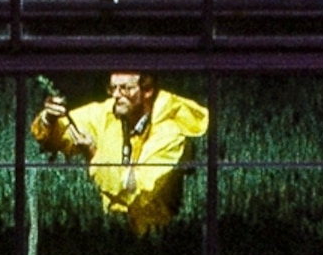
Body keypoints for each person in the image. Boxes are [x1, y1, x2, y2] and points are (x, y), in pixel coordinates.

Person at [31, 72, 209, 235]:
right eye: (113, 88)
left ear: (147, 91)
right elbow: (60, 135)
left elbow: (136, 192)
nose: (116, 95)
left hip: (158, 238)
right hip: (112, 233)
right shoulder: (106, 114)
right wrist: (49, 119)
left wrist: (93, 154)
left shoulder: (169, 133)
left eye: (125, 88)